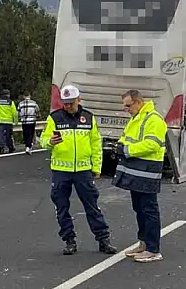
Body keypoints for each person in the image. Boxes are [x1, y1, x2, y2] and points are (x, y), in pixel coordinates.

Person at [40, 85, 117, 256]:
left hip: (83, 170)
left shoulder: (88, 118)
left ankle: (103, 240)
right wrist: (50, 142)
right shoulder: (55, 117)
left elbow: (96, 144)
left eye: (71, 103)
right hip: (61, 170)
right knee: (61, 207)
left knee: (92, 206)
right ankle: (69, 240)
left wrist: (96, 167)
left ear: (79, 100)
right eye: (65, 103)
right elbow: (43, 140)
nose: (67, 106)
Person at [113, 89, 167, 263]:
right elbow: (125, 137)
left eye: (128, 105)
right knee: (139, 208)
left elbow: (153, 144)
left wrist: (127, 150)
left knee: (149, 209)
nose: (126, 109)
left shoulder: (154, 119)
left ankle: (153, 249)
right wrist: (120, 146)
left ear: (138, 102)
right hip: (136, 170)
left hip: (148, 171)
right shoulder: (136, 119)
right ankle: (143, 243)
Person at [0, 89, 18, 154]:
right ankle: (10, 148)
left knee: (0, 135)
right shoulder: (10, 102)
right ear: (8, 95)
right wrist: (16, 121)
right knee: (8, 136)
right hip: (8, 122)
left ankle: (1, 148)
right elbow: (15, 113)